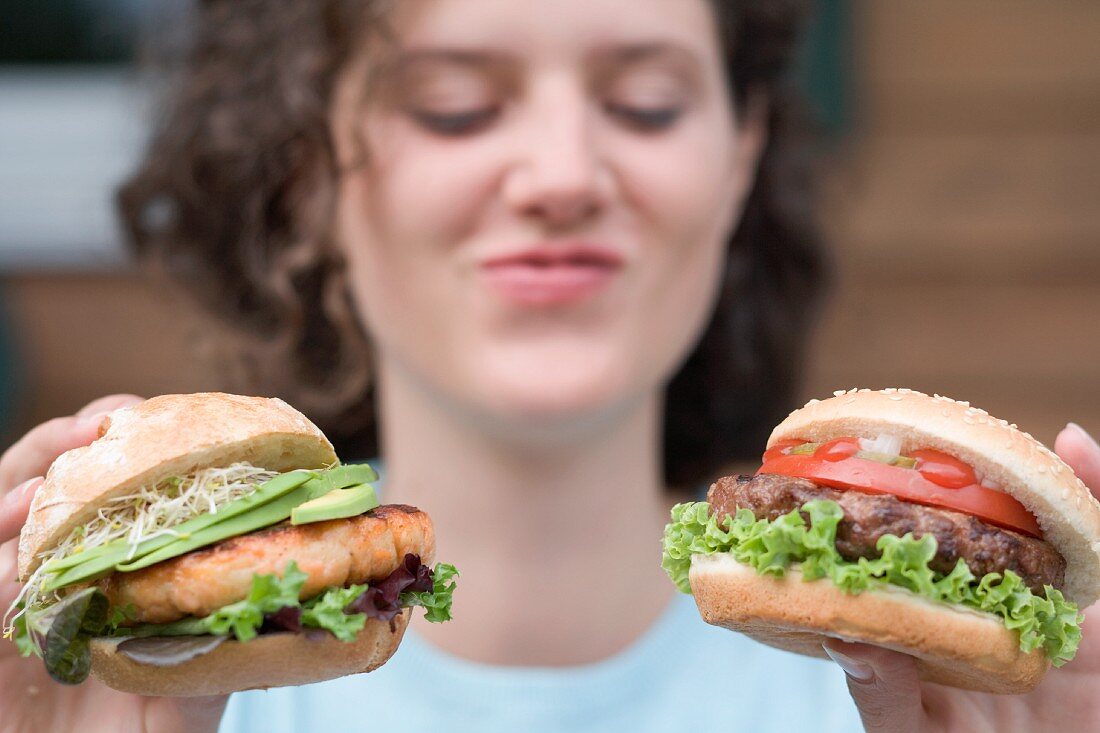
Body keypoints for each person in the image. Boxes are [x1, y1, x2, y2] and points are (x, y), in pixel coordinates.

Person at [1, 1, 1098, 731]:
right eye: (457, 105)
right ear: (308, 172)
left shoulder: (943, 701)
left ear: (738, 157)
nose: (563, 174)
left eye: (644, 103)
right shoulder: (120, 697)